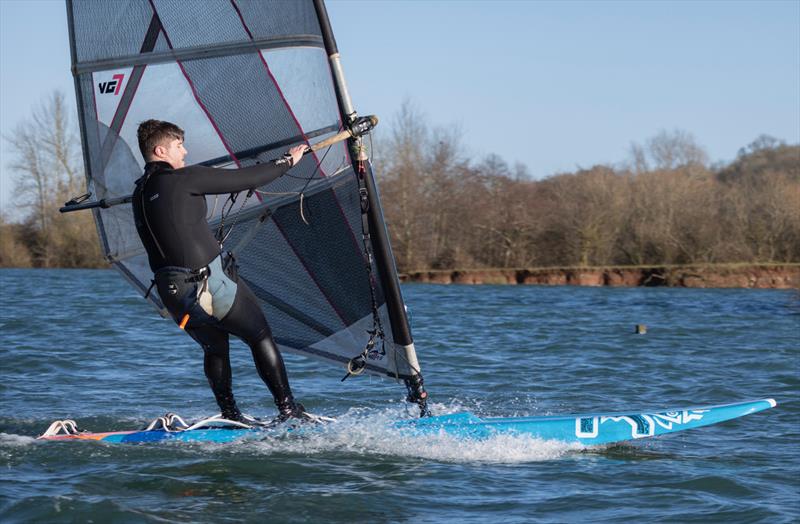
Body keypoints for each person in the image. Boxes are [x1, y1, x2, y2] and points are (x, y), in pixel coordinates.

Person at [131, 119, 309, 424]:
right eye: (178, 146)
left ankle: (230, 415)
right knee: (260, 335)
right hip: (208, 285)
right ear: (160, 150)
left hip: (172, 295)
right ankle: (289, 410)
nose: (185, 152)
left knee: (215, 347)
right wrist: (287, 161)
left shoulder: (139, 194)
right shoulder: (183, 180)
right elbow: (247, 178)